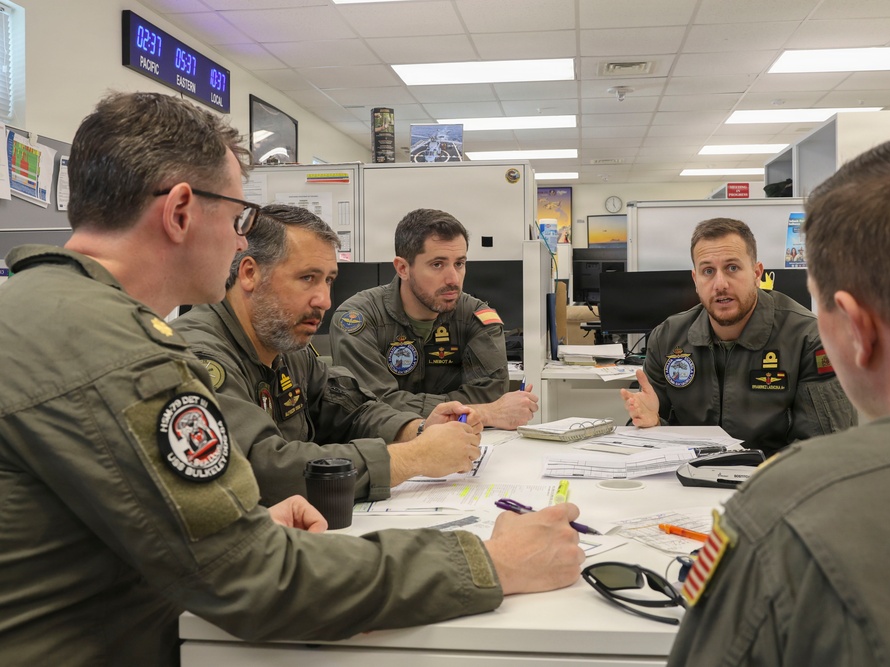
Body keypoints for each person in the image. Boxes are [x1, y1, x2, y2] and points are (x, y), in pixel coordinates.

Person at [0, 91, 583, 666]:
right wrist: (490, 562)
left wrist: (230, 522)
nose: (236, 241)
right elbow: (255, 581)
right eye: (236, 218)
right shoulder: (123, 352)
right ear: (180, 211)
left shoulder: (42, 309)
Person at [668, 133, 890, 665]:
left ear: (855, 327)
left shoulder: (793, 506)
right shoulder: (674, 333)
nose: (719, 284)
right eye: (707, 271)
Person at [173, 203, 486, 506]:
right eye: (307, 278)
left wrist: (417, 430)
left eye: (329, 280)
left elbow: (349, 408)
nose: (324, 300)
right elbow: (262, 469)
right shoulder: (197, 357)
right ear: (250, 273)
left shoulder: (284, 343)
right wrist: (413, 457)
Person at [620, 217, 856, 456]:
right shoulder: (668, 338)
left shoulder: (809, 339)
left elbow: (825, 446)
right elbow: (645, 438)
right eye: (708, 271)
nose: (720, 284)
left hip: (772, 484)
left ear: (757, 273)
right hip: (685, 480)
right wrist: (652, 425)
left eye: (732, 268)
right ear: (695, 280)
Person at [330, 208, 538, 429]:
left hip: (465, 446)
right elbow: (371, 407)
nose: (453, 279)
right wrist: (483, 413)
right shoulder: (358, 319)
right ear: (402, 268)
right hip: (384, 451)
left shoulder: (476, 317)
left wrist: (479, 408)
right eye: (437, 264)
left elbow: (489, 393)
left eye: (459, 263)